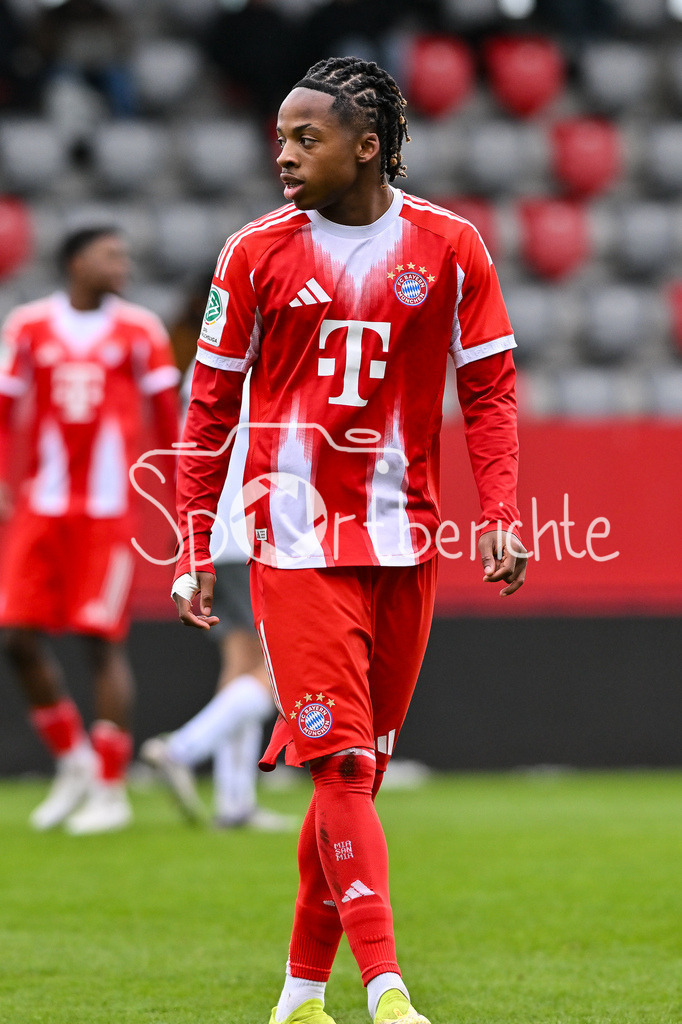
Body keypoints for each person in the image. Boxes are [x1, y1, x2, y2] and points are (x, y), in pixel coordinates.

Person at [171, 56, 526, 1024]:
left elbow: (489, 392)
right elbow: (207, 410)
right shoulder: (253, 254)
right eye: (280, 136)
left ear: (366, 146)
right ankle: (386, 987)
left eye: (304, 137)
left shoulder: (451, 246)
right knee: (340, 768)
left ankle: (296, 994)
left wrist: (498, 509)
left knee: (349, 776)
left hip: (404, 544)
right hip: (291, 543)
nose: (281, 154)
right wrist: (194, 538)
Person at [0, 225, 179, 835]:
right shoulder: (27, 325)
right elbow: (4, 409)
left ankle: (110, 789)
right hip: (40, 507)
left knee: (100, 641)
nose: (123, 265)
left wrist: (182, 498)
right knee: (16, 636)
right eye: (111, 256)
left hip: (106, 513)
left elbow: (170, 420)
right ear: (78, 262)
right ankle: (73, 760)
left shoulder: (140, 330)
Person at [141, 358, 295, 832]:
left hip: (216, 529)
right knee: (279, 668)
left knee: (241, 662)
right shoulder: (279, 353)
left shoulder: (209, 357)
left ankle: (235, 802)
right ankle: (181, 748)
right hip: (255, 529)